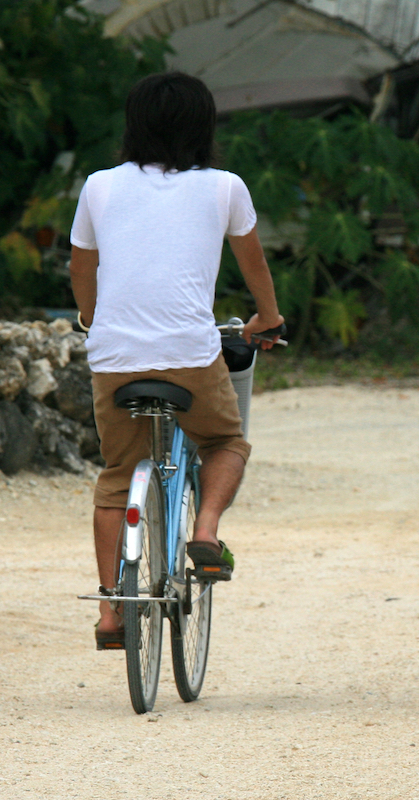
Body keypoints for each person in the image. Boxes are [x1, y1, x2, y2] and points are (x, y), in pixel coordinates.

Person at [68, 72, 284, 650]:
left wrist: (93, 317)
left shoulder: (99, 186)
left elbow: (82, 268)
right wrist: (268, 316)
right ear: (204, 126)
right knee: (226, 443)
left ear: (133, 125)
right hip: (191, 352)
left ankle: (112, 613)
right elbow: (253, 264)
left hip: (115, 355)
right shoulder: (225, 187)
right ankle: (207, 530)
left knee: (117, 479)